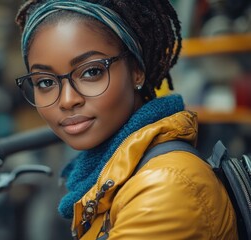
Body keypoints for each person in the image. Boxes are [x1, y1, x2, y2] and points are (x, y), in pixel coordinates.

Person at [13, 0, 238, 239]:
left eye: (91, 71)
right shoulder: (104, 175)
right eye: (45, 82)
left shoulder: (166, 185)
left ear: (136, 70)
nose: (67, 100)